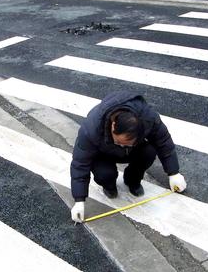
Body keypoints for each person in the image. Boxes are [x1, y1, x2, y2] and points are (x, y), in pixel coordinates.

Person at [69, 91, 187, 223]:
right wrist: (79, 200)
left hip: (133, 151)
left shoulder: (148, 118)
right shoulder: (92, 128)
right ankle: (109, 185)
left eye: (128, 143)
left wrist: (174, 173)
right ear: (113, 125)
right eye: (119, 142)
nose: (122, 146)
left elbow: (164, 142)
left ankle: (132, 180)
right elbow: (80, 164)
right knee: (105, 173)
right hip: (103, 154)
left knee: (148, 151)